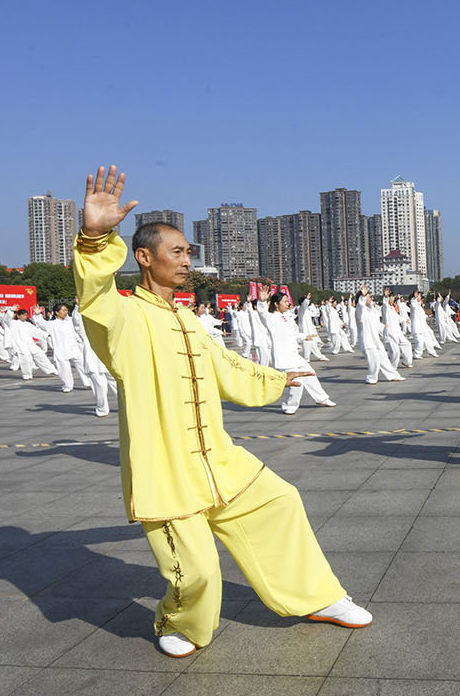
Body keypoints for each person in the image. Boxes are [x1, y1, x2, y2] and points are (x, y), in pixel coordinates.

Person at [73, 165, 371, 659]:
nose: (188, 260)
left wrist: (276, 378)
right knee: (200, 571)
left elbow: (225, 367)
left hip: (217, 459)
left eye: (190, 252)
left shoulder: (187, 318)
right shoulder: (123, 317)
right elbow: (94, 296)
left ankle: (318, 597)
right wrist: (95, 238)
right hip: (166, 470)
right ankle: (179, 622)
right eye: (178, 252)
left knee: (281, 501)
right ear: (144, 258)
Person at [257, 285, 337, 414]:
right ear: (276, 304)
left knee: (310, 373)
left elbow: (293, 334)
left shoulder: (287, 317)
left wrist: (305, 336)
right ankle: (289, 406)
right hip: (283, 357)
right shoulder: (271, 318)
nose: (288, 303)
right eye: (285, 301)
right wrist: (262, 302)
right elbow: (262, 313)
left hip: (294, 355)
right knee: (297, 383)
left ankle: (321, 398)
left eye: (287, 301)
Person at [35, 303, 92, 393]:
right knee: (64, 368)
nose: (66, 312)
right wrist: (38, 315)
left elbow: (77, 318)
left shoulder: (69, 320)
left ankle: (88, 383)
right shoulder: (52, 324)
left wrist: (77, 306)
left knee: (81, 365)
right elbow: (42, 324)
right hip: (61, 349)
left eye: (66, 310)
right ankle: (68, 385)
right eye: (63, 310)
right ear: (57, 312)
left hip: (74, 347)